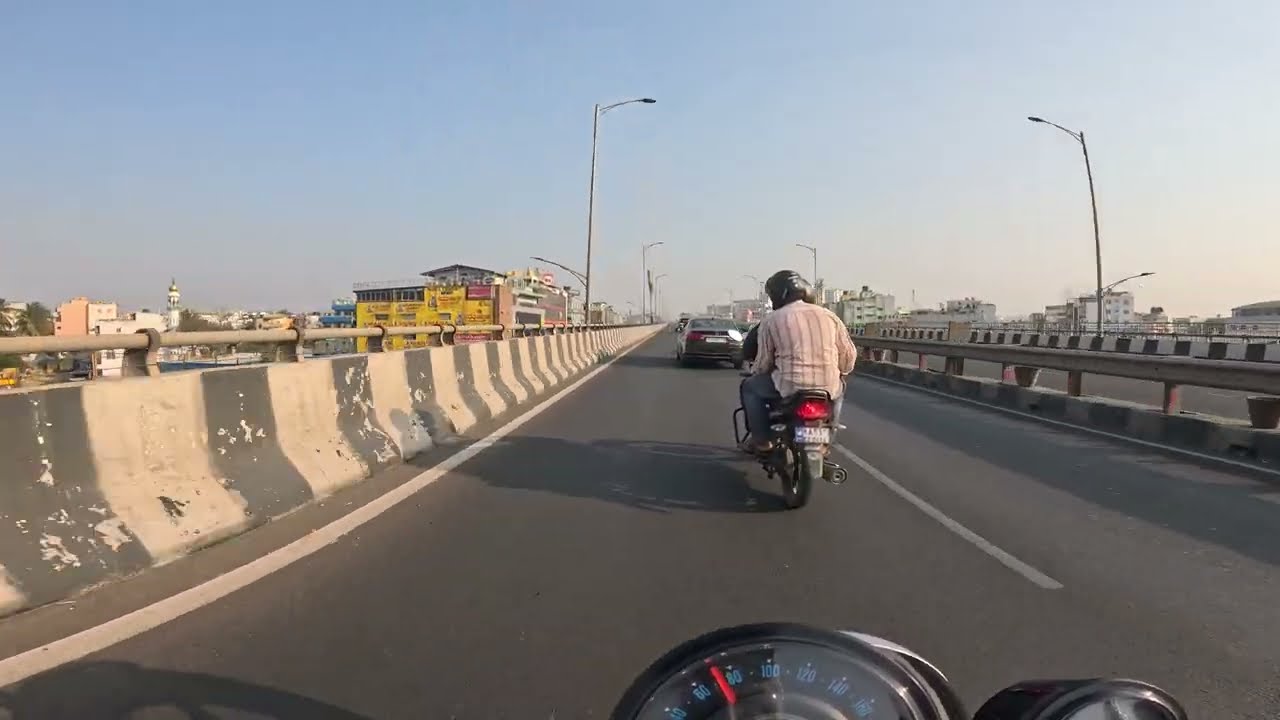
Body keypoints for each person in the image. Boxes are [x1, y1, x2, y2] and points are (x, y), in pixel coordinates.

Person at [738, 270, 857, 453]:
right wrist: (842, 372)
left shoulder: (771, 320)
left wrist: (756, 372)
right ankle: (827, 437)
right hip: (826, 386)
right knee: (839, 388)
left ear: (778, 296)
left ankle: (761, 440)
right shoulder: (830, 316)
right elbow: (848, 356)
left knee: (750, 388)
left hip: (789, 385)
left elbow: (764, 362)